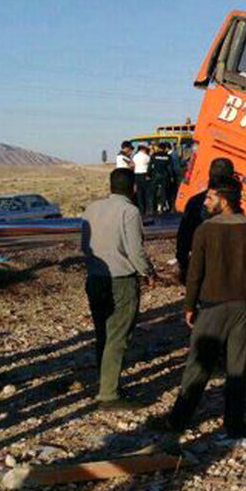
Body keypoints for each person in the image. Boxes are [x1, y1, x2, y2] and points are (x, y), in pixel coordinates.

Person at [159, 177, 246, 439]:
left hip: (213, 307)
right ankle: (235, 424)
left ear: (224, 199)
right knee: (237, 368)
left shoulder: (207, 230)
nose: (205, 202)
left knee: (198, 366)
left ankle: (178, 420)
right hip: (242, 307)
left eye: (209, 197)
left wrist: (189, 305)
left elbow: (195, 273)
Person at [80, 167, 154, 410]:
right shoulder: (129, 211)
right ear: (133, 188)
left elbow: (84, 245)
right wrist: (148, 272)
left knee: (103, 333)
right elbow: (135, 251)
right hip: (120, 279)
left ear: (111, 185)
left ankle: (105, 383)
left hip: (95, 278)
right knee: (118, 336)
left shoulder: (92, 208)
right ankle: (109, 395)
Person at [176, 157, 235, 284]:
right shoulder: (233, 205)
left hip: (201, 263)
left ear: (209, 174)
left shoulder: (195, 201)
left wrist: (183, 261)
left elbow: (184, 234)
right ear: (231, 176)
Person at [149, 144, 172, 214]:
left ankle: (152, 209)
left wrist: (148, 174)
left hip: (155, 175)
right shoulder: (168, 156)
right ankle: (162, 208)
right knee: (163, 192)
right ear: (165, 148)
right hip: (165, 175)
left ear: (158, 148)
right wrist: (171, 176)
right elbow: (170, 168)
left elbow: (150, 165)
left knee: (153, 192)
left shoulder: (154, 155)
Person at [131, 144, 152, 215]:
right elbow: (151, 164)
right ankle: (148, 210)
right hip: (145, 175)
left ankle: (141, 210)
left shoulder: (135, 156)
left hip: (137, 175)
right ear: (143, 149)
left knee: (139, 193)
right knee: (147, 193)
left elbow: (133, 165)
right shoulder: (146, 156)